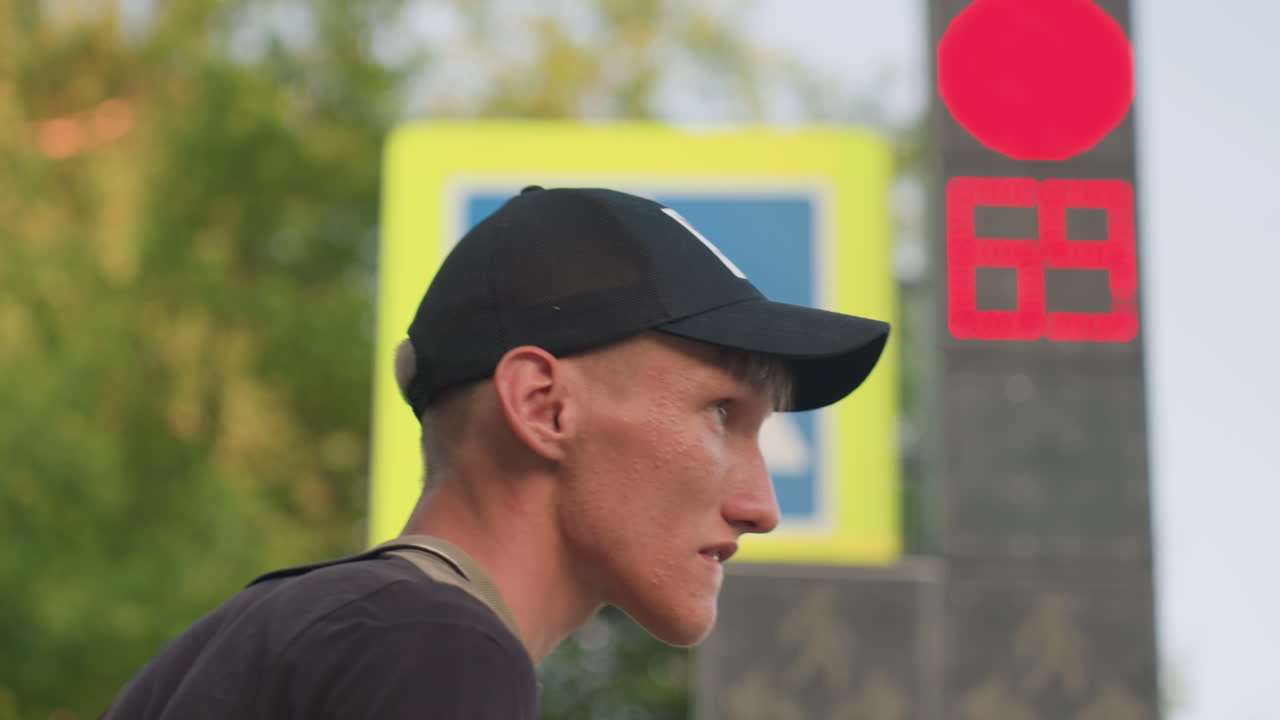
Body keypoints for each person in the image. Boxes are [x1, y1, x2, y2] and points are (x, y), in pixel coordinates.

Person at [102, 186, 889, 718]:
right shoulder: (429, 649)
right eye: (720, 412)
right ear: (542, 406)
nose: (763, 508)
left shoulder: (310, 629)